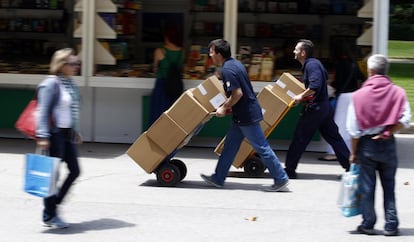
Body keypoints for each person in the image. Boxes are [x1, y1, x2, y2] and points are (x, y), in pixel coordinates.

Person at [200, 39, 289, 192]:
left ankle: (281, 178)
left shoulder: (228, 70)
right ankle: (218, 178)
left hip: (246, 116)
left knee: (261, 147)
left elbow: (237, 94)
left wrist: (223, 107)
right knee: (229, 147)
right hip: (242, 115)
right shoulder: (235, 64)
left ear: (219, 54)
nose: (210, 55)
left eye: (212, 52)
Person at [347, 54, 411, 236]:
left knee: (368, 187)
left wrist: (353, 153)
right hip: (388, 143)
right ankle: (391, 224)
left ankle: (368, 223)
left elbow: (353, 130)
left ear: (371, 71)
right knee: (389, 186)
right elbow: (405, 119)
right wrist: (388, 132)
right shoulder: (398, 92)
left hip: (367, 145)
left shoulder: (358, 95)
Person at [284, 39, 350, 179]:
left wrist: (301, 96)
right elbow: (322, 80)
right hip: (323, 107)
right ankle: (352, 168)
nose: (294, 51)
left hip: (316, 109)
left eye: (296, 49)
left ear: (303, 53)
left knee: (300, 138)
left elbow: (315, 85)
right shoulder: (314, 64)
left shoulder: (311, 65)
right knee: (334, 138)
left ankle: (289, 170)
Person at [36, 48, 82, 229]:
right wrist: (43, 136)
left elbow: (70, 110)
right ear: (61, 65)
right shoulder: (51, 83)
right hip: (54, 135)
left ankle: (53, 204)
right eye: (72, 64)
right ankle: (49, 215)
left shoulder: (70, 84)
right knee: (52, 176)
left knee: (75, 170)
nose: (76, 67)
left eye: (77, 63)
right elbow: (43, 111)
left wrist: (75, 130)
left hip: (67, 133)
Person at [319, 41, 365, 161]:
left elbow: (338, 82)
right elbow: (361, 78)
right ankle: (349, 150)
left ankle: (334, 152)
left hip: (344, 96)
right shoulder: (354, 64)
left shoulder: (341, 64)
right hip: (354, 95)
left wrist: (330, 83)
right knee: (348, 124)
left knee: (338, 125)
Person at [149, 26, 184, 125]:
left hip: (162, 85)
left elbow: (155, 69)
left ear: (166, 37)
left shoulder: (159, 51)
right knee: (173, 114)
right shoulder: (182, 51)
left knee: (158, 113)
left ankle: (157, 137)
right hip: (176, 85)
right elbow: (182, 67)